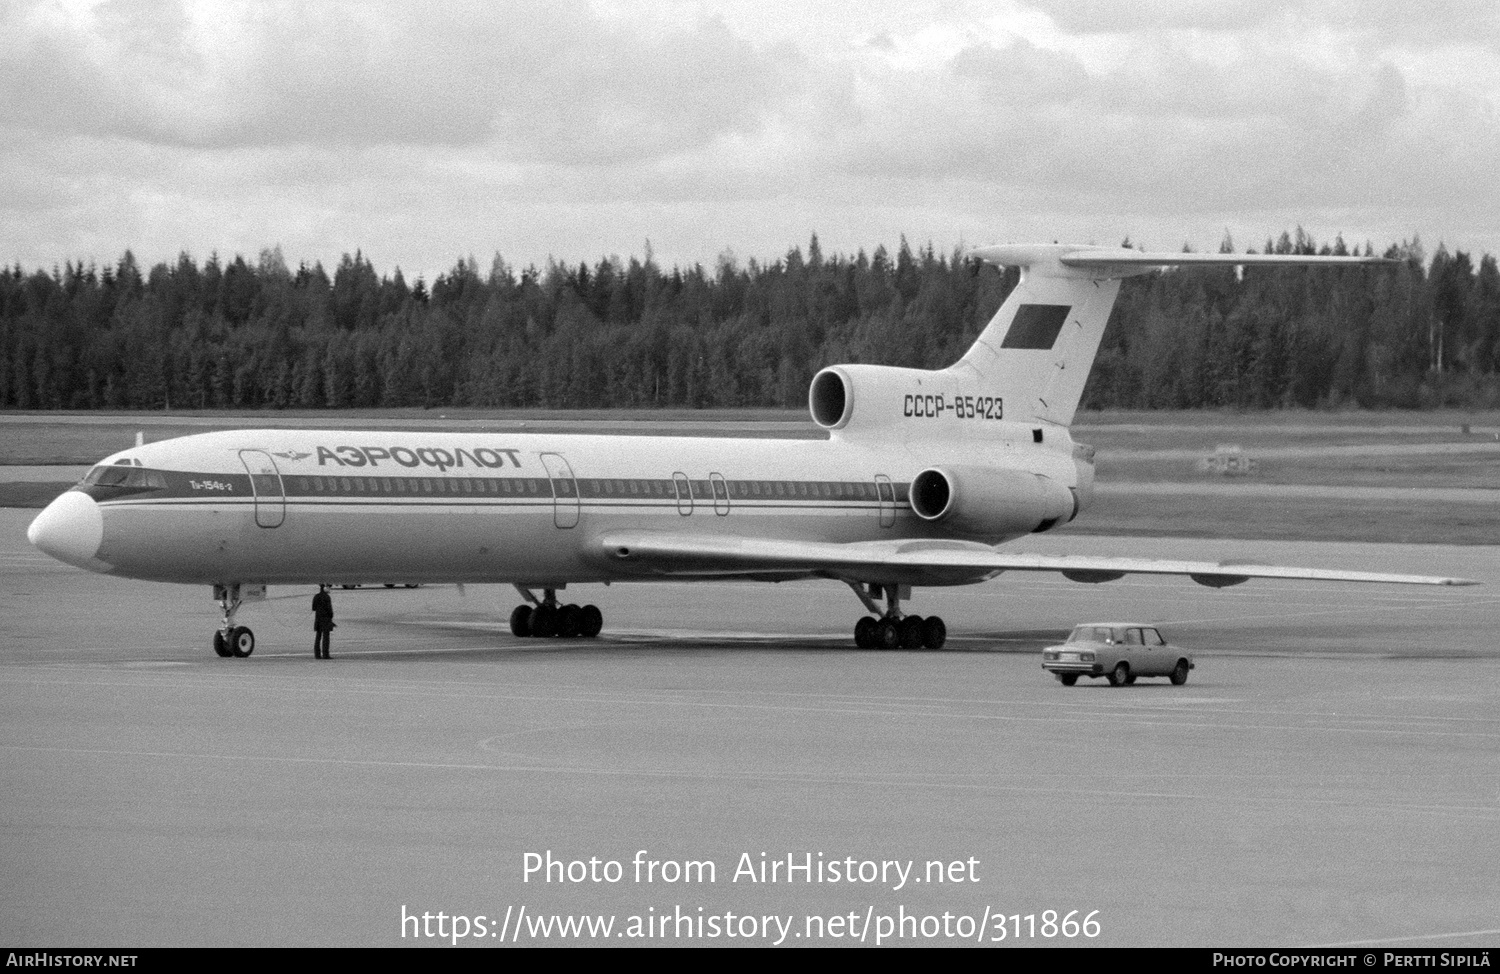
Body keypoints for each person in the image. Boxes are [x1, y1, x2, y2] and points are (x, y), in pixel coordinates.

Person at [312, 584, 334, 659]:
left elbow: (313, 608)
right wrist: (331, 617)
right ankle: (325, 654)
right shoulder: (327, 597)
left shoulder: (316, 596)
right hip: (326, 619)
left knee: (318, 637)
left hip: (318, 619)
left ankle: (317, 654)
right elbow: (330, 610)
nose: (329, 589)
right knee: (326, 637)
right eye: (328, 588)